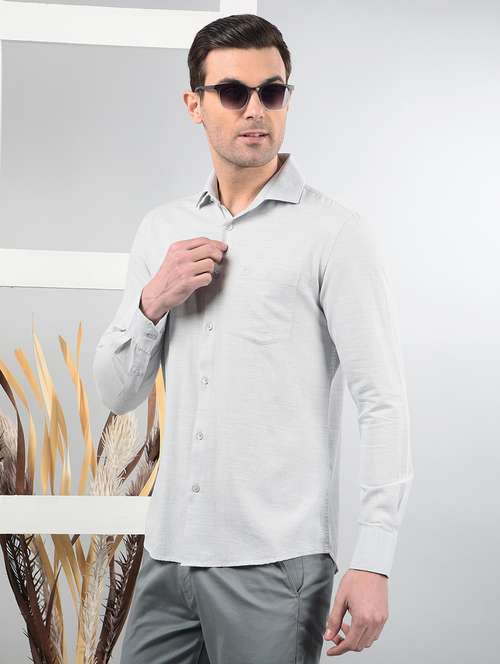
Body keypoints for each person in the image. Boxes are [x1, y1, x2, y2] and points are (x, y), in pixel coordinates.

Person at [93, 12, 414, 663]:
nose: (255, 109)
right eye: (234, 92)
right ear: (195, 104)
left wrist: (374, 558)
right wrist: (153, 301)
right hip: (168, 557)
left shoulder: (334, 234)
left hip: (275, 564)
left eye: (272, 91)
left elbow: (382, 401)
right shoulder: (162, 230)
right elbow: (116, 393)